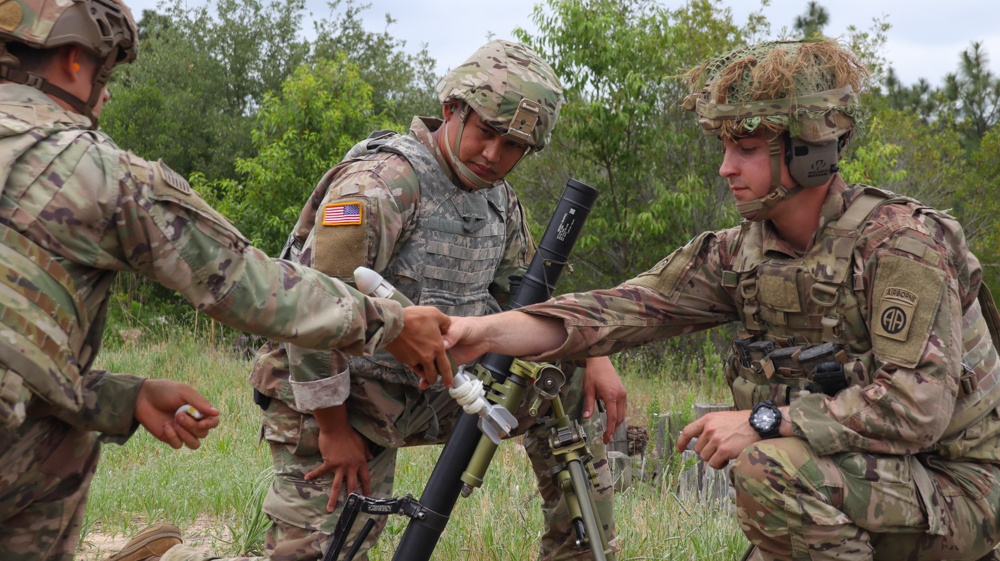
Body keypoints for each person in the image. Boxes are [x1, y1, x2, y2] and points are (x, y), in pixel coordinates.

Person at [442, 38, 1000, 561]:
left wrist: (761, 420)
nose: (725, 167)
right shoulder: (740, 254)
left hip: (960, 489)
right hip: (866, 479)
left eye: (747, 149)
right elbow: (615, 311)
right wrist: (481, 333)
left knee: (767, 469)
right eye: (725, 147)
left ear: (810, 154)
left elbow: (915, 409)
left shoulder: (901, 246)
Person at [0, 0, 452, 559]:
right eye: (106, 74)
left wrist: (121, 396)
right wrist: (388, 321)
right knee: (60, 442)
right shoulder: (95, 172)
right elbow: (249, 285)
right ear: (73, 61)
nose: (107, 94)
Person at [147, 39, 626, 561]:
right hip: (332, 393)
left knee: (571, 378)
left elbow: (526, 296)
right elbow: (306, 307)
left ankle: (579, 551)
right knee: (327, 555)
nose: (493, 155)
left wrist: (593, 353)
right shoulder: (382, 183)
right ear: (452, 111)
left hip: (427, 389)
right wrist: (332, 428)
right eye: (486, 133)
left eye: (512, 146)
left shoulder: (499, 200)